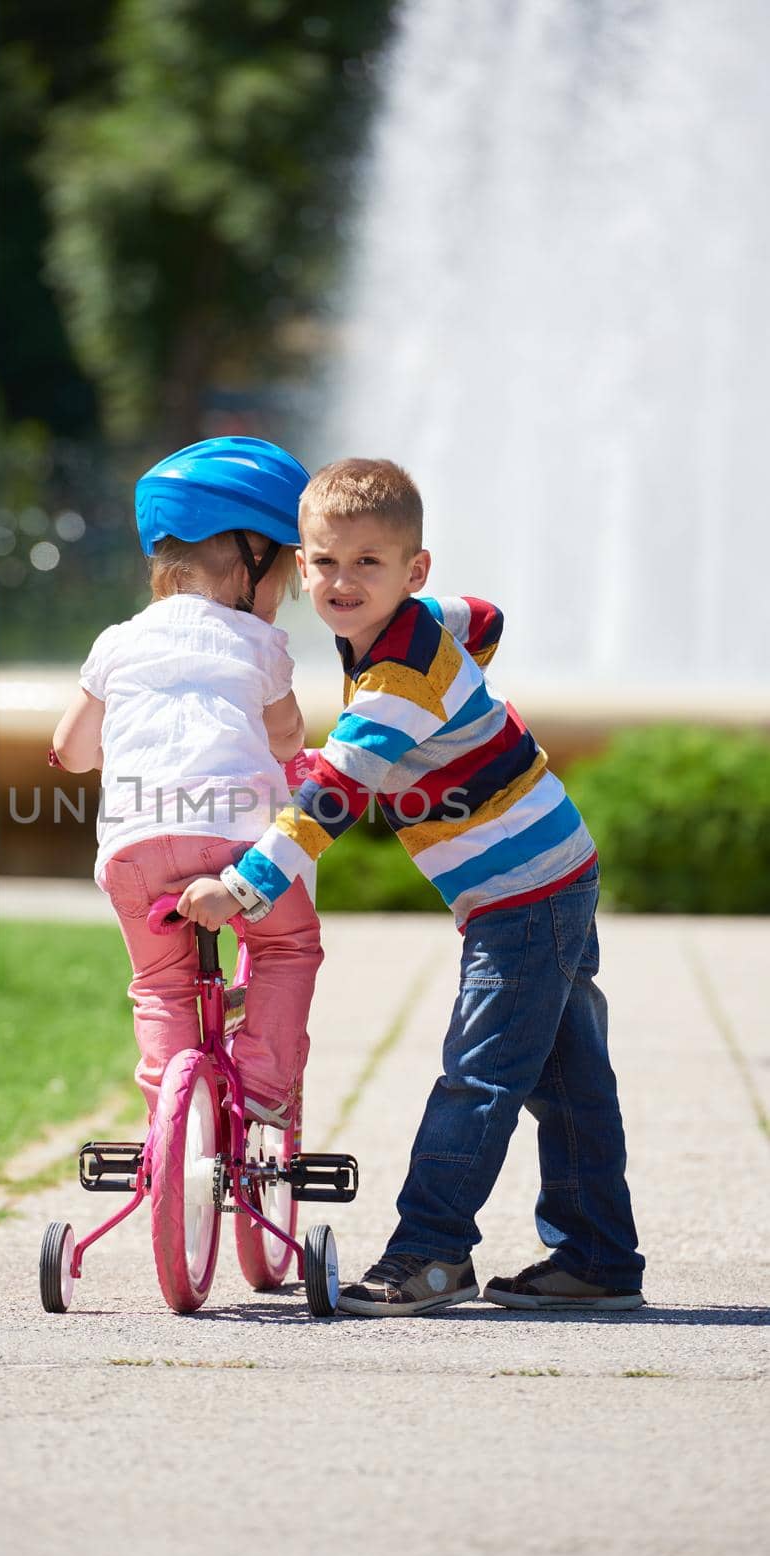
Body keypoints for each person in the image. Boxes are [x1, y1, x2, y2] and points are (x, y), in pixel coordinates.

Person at [177, 457, 645, 1315]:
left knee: (479, 1075)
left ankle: (431, 1255)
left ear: (412, 569)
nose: (342, 582)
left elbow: (336, 795)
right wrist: (462, 670)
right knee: (567, 1080)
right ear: (300, 559)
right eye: (323, 562)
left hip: (523, 895)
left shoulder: (396, 682)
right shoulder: (421, 622)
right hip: (552, 870)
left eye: (369, 563)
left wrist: (242, 888)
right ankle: (601, 1257)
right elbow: (487, 618)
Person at [52, 436, 323, 1127]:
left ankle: (177, 1129)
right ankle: (262, 1084)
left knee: (161, 986)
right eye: (283, 578)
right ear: (247, 562)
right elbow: (287, 737)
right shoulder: (261, 644)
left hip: (133, 849)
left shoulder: (117, 641)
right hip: (234, 838)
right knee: (286, 946)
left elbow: (73, 749)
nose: (282, 598)